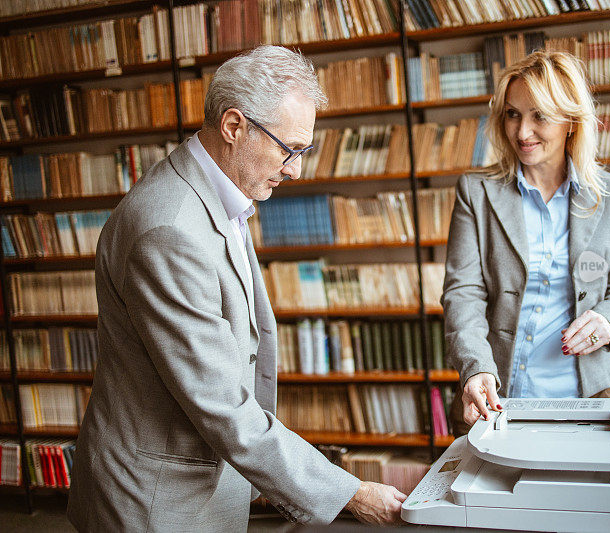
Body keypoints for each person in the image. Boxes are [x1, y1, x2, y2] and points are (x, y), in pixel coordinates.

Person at [67, 46, 406, 531]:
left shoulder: (220, 193)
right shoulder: (170, 228)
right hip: (154, 500)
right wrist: (347, 491)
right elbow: (220, 401)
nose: (295, 169)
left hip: (197, 478)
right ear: (233, 126)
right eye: (289, 149)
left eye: (303, 152)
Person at [442, 51, 610, 433]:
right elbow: (463, 292)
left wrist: (607, 320)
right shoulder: (476, 192)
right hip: (495, 397)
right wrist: (475, 366)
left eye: (540, 116)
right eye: (513, 113)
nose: (522, 132)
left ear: (571, 121)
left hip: (588, 399)